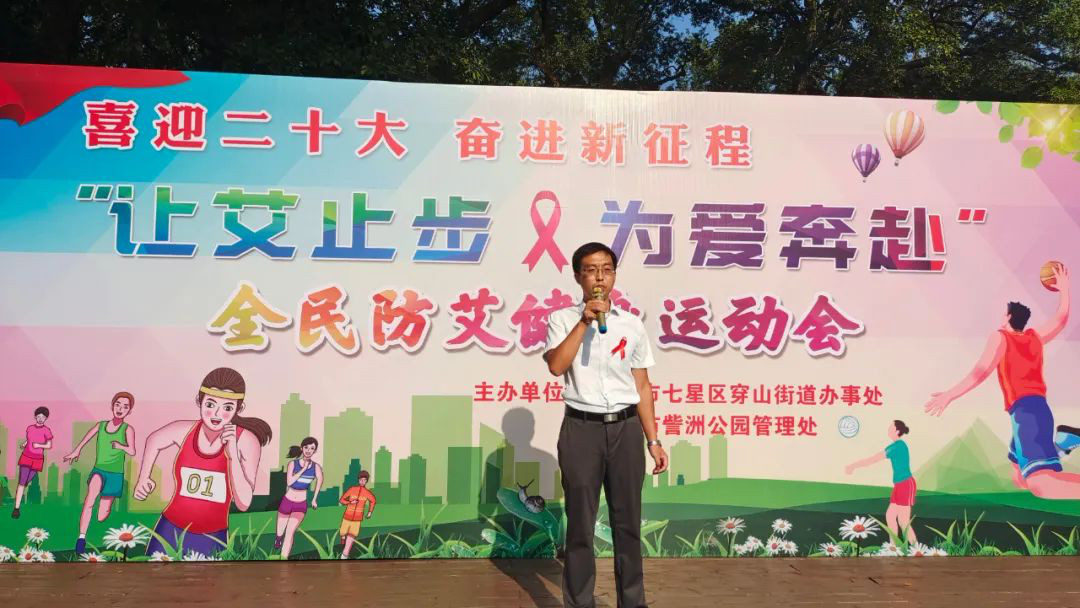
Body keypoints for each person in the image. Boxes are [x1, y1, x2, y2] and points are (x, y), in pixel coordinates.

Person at [543, 242, 669, 608]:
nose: (600, 277)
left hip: (625, 430)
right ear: (578, 276)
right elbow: (556, 366)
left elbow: (642, 386)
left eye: (607, 269)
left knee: (628, 523)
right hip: (581, 429)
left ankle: (632, 601)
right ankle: (580, 602)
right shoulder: (562, 320)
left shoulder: (631, 324)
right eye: (591, 270)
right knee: (580, 525)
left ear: (614, 275)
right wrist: (585, 321)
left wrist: (653, 440)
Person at [926, 263, 1080, 498]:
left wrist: (950, 394)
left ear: (1008, 316)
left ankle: (1062, 443)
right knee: (1019, 478)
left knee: (1041, 485)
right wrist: (1065, 291)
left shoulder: (1000, 337)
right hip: (1030, 410)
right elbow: (1060, 319)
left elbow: (980, 372)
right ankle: (1063, 442)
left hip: (1028, 413)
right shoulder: (1034, 337)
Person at [134, 367, 271, 557]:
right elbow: (154, 440)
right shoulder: (185, 430)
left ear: (238, 409)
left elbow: (243, 503)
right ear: (199, 401)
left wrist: (232, 456)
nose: (216, 414)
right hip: (170, 528)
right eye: (210, 404)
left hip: (212, 535)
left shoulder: (246, 441)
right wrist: (144, 477)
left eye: (227, 408)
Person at [64, 391, 137, 555]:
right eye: (118, 405)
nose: (120, 409)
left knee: (101, 516)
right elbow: (86, 438)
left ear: (129, 411)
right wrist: (76, 451)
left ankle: (103, 513)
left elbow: (132, 451)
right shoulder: (101, 425)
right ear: (112, 406)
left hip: (115, 474)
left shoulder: (127, 429)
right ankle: (81, 538)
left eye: (125, 407)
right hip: (99, 470)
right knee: (89, 500)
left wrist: (120, 446)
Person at [845, 420, 918, 544]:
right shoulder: (895, 446)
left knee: (903, 521)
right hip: (899, 485)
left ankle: (916, 549)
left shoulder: (898, 446)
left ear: (897, 431)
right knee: (890, 516)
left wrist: (853, 466)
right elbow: (873, 459)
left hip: (906, 484)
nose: (888, 429)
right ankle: (893, 547)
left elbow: (873, 459)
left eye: (891, 427)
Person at [274, 437, 324, 558]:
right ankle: (278, 538)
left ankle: (283, 558)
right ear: (302, 448)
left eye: (312, 448)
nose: (308, 450)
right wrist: (303, 469)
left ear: (315, 451)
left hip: (300, 504)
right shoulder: (293, 464)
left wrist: (314, 499)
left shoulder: (316, 467)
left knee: (289, 533)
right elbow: (290, 482)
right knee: (280, 531)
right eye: (306, 447)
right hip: (287, 501)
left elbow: (320, 481)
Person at [12, 406, 53, 518]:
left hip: (37, 459)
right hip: (26, 457)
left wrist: (39, 445)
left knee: (27, 481)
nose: (40, 419)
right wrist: (24, 444)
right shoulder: (30, 428)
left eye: (43, 417)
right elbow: (29, 439)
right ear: (35, 417)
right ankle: (16, 509)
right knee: (21, 483)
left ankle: (22, 487)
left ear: (46, 418)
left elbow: (49, 445)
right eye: (38, 416)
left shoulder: (47, 430)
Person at [338, 470, 376, 559]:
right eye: (361, 480)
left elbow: (373, 501)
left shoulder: (367, 492)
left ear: (366, 481)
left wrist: (370, 512)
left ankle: (344, 555)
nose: (362, 482)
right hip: (347, 516)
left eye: (364, 480)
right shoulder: (352, 489)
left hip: (357, 519)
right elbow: (342, 500)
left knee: (352, 535)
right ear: (358, 480)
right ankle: (342, 541)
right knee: (343, 533)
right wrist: (350, 502)